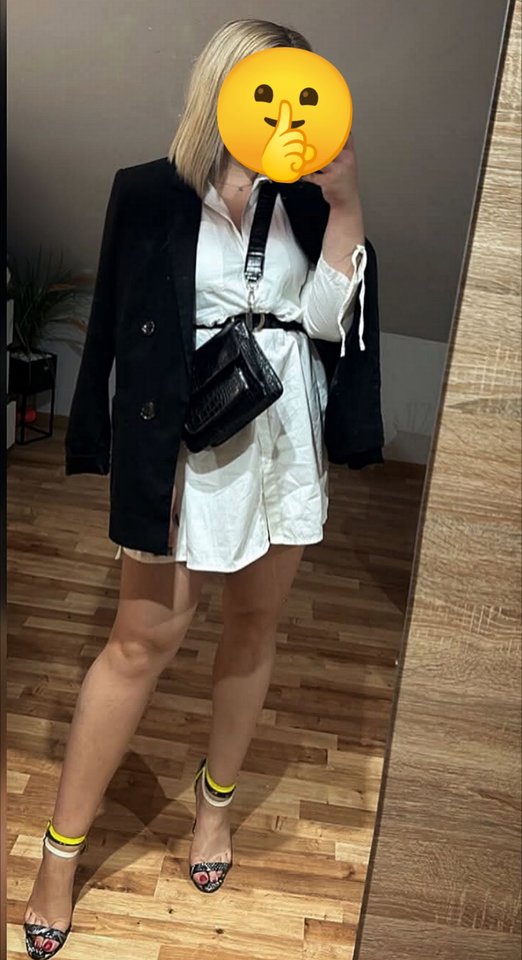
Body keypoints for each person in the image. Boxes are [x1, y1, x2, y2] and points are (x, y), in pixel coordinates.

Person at [23, 17, 369, 959]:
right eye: (268, 90)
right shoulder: (148, 192)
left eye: (303, 93)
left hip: (283, 440)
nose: (288, 111)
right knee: (139, 642)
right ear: (225, 89)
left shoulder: (311, 200)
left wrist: (345, 205)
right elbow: (113, 326)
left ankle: (214, 811)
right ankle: (59, 854)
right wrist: (110, 452)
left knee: (253, 629)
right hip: (184, 441)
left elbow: (330, 325)